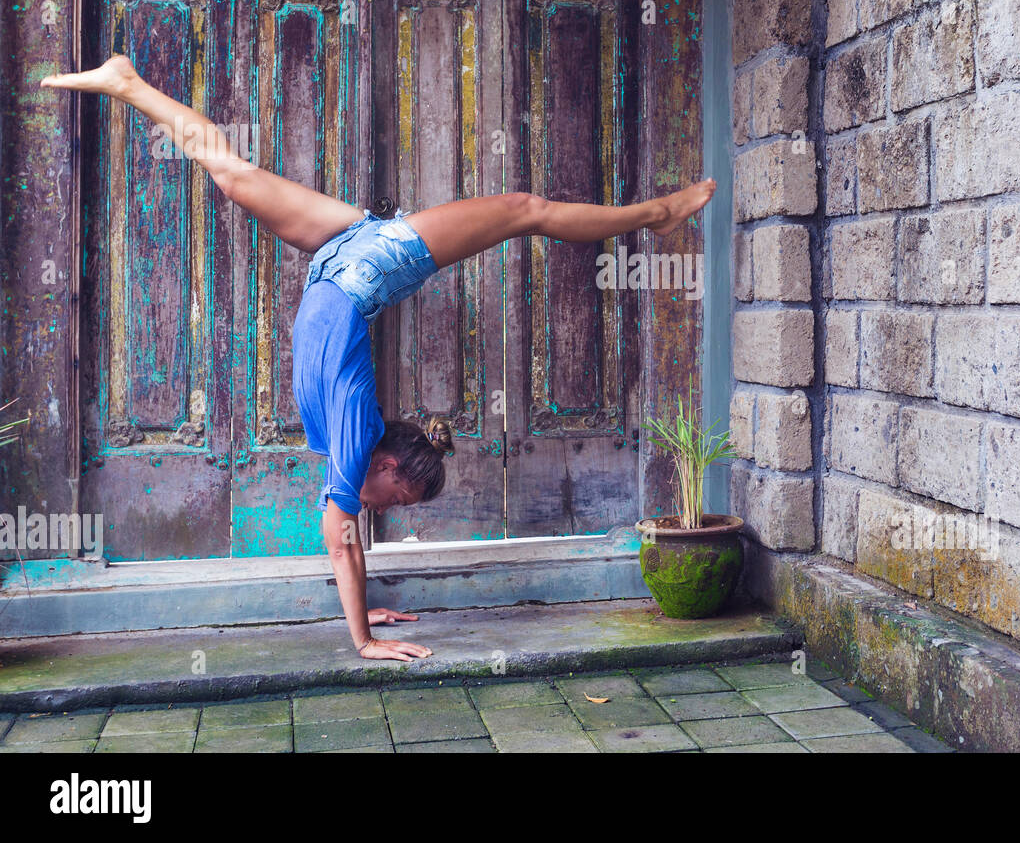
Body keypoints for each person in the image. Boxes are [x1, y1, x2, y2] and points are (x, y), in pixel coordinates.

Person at [42, 55, 717, 661]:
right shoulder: (356, 435)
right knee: (525, 209)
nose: (381, 509)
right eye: (395, 496)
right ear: (388, 463)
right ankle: (653, 215)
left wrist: (362, 612)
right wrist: (363, 638)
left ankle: (128, 84)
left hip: (341, 252)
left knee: (232, 172)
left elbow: (341, 533)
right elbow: (344, 539)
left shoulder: (337, 438)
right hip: (368, 263)